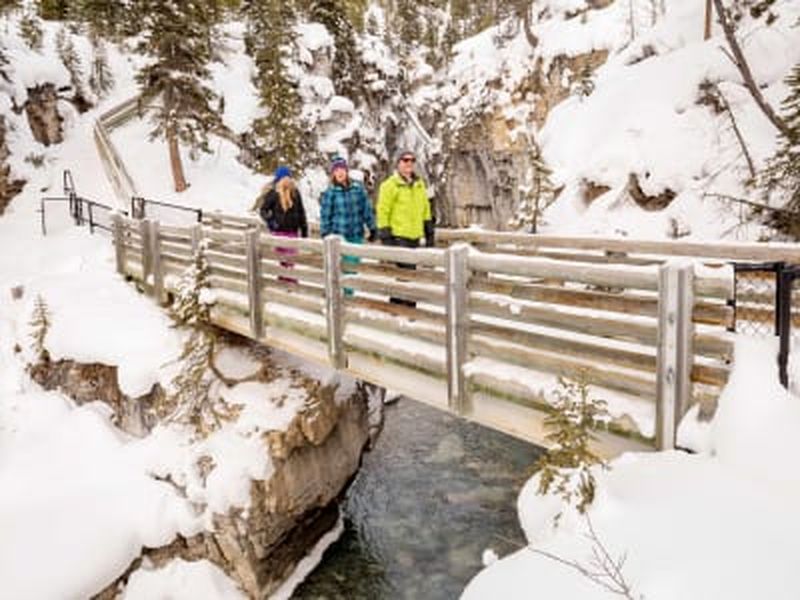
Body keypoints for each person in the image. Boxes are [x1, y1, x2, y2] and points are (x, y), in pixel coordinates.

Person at [376, 149, 434, 306]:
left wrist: (429, 231)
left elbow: (425, 208)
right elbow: (383, 210)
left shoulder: (419, 185)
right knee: (406, 274)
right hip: (398, 237)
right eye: (405, 160)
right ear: (398, 163)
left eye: (412, 160)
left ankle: (398, 306)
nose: (409, 163)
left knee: (407, 274)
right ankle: (406, 308)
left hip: (415, 236)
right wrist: (385, 235)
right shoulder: (390, 185)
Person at [320, 156, 377, 296]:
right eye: (336, 170)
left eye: (342, 169)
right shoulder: (331, 192)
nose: (340, 173)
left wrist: (372, 227)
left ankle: (348, 295)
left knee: (353, 268)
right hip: (339, 236)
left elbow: (366, 210)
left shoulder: (357, 189)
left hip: (356, 234)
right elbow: (325, 215)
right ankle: (343, 296)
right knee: (343, 268)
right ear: (333, 173)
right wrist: (325, 233)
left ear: (346, 171)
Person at [259, 166, 308, 283]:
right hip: (280, 231)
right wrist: (272, 222)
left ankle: (288, 279)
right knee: (283, 258)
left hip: (293, 231)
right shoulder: (274, 193)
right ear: (278, 179)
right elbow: (263, 210)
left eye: (288, 178)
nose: (286, 181)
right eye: (283, 178)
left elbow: (301, 211)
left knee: (291, 258)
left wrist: (304, 229)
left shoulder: (295, 193)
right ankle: (285, 278)